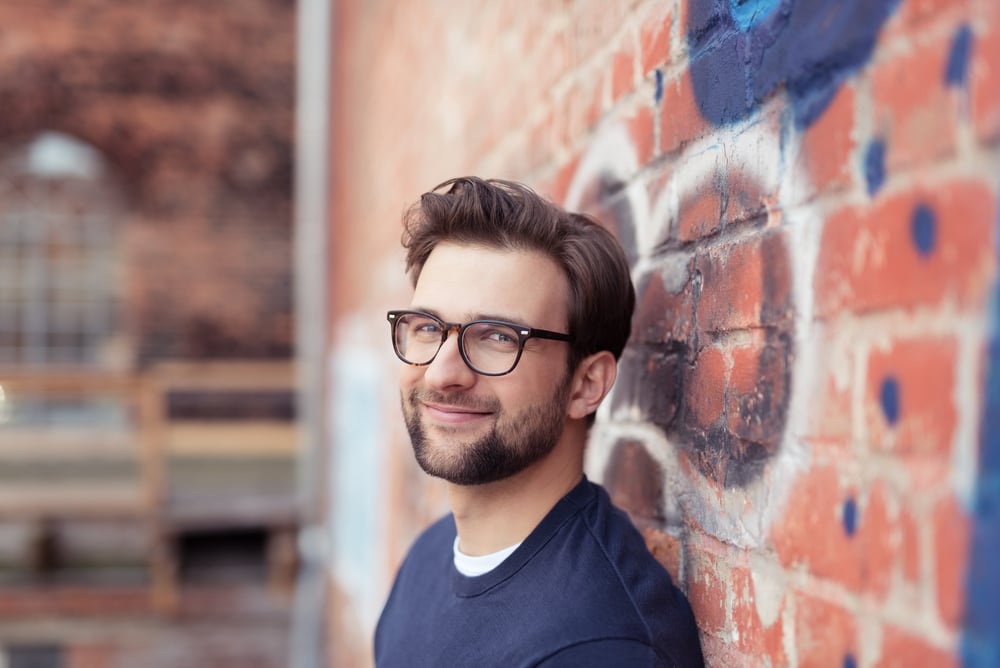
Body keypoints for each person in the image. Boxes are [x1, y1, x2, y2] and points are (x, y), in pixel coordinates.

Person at [374, 177, 704, 667]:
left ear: (585, 385)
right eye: (427, 328)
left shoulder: (600, 644)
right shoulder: (429, 557)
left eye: (499, 337)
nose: (443, 372)